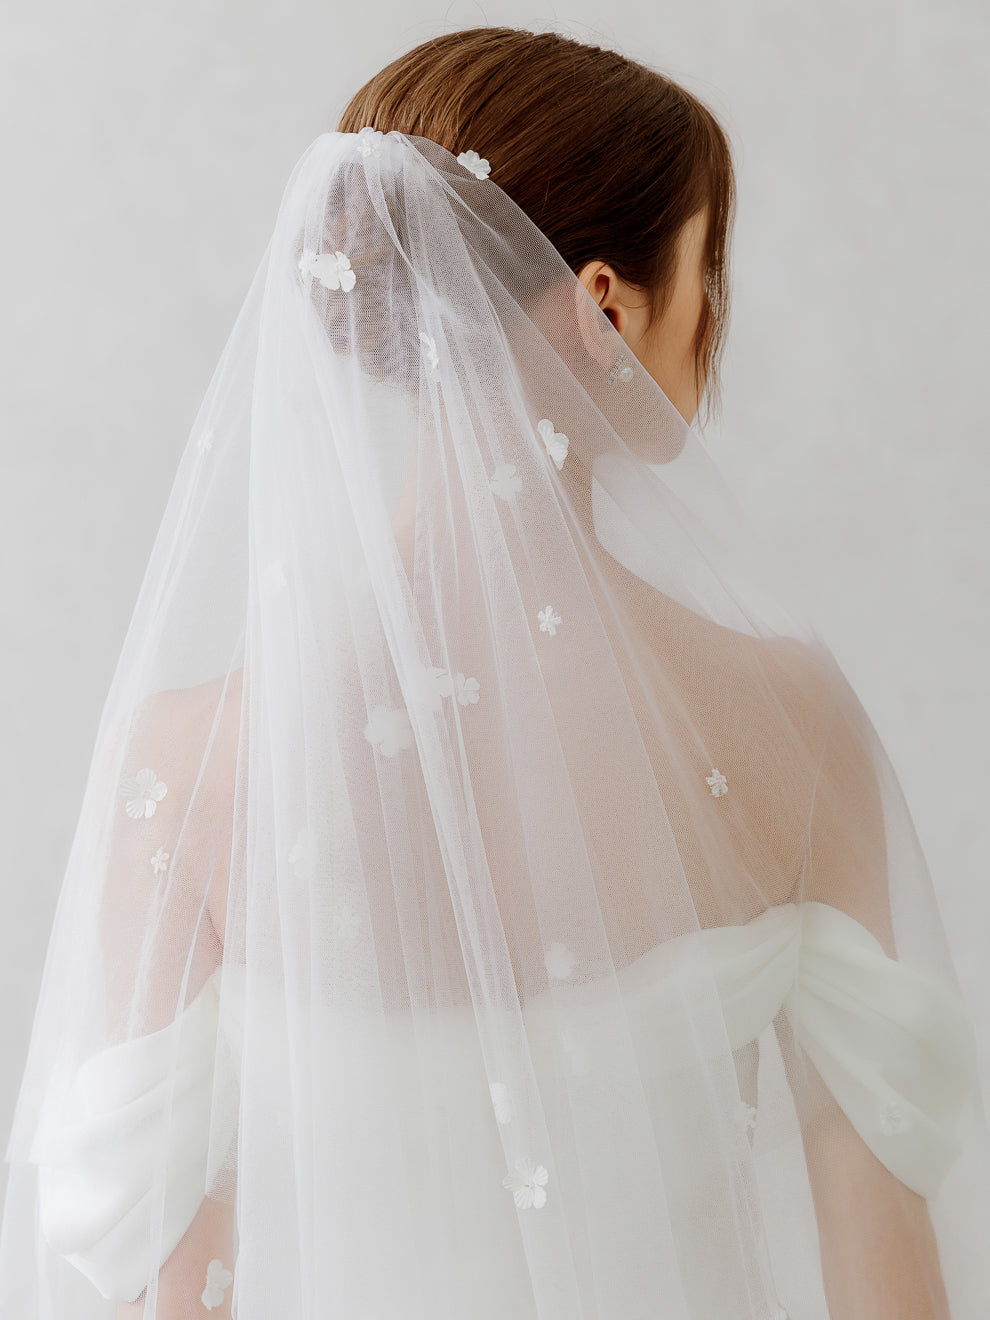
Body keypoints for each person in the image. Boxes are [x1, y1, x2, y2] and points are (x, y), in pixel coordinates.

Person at [2, 26, 988, 1320]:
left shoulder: (189, 763)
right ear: (604, 306)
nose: (717, 321)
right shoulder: (789, 725)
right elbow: (885, 1288)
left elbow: (174, 1296)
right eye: (709, 266)